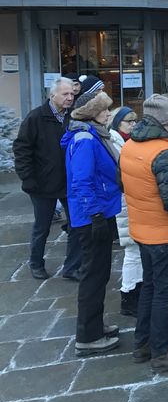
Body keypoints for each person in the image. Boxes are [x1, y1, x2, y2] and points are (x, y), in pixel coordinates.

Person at [121, 94, 168, 372]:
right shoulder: (163, 152)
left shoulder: (131, 145)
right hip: (163, 233)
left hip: (143, 229)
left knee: (150, 288)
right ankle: (162, 351)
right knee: (165, 293)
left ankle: (143, 343)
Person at [62, 88, 122, 357]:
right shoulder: (86, 138)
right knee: (94, 276)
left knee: (100, 274)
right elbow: (82, 181)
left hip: (98, 213)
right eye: (103, 109)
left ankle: (95, 326)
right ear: (91, 113)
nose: (108, 113)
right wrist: (95, 214)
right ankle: (87, 336)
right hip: (92, 218)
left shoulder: (93, 134)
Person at [13, 77, 82, 280]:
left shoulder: (73, 116)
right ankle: (36, 263)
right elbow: (21, 148)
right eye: (65, 94)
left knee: (77, 224)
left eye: (72, 94)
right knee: (42, 227)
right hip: (42, 184)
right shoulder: (36, 117)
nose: (70, 98)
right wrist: (28, 179)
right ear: (52, 96)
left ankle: (71, 267)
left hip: (68, 182)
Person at [109, 107, 142, 317]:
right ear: (117, 123)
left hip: (130, 200)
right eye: (128, 122)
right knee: (131, 250)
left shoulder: (127, 140)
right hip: (124, 201)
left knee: (136, 251)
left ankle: (135, 291)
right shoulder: (115, 142)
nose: (132, 125)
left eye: (134, 121)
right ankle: (128, 297)